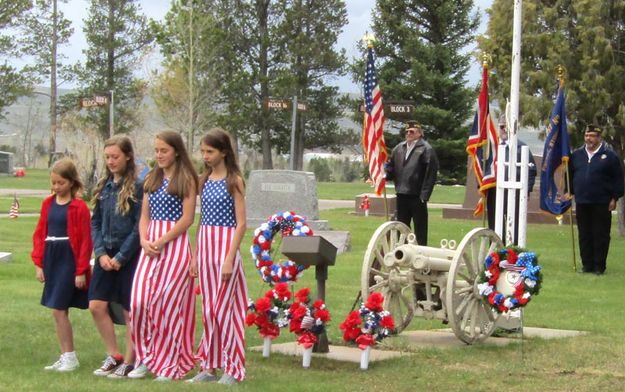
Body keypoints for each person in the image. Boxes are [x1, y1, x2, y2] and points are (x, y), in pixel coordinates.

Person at [128, 131, 198, 381]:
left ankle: (168, 361)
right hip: (149, 245)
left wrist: (160, 241)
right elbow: (144, 215)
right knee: (139, 302)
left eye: (164, 150)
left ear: (176, 151)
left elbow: (187, 219)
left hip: (174, 245)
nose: (159, 155)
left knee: (166, 305)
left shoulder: (186, 179)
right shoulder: (152, 178)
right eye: (156, 150)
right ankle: (145, 357)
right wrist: (145, 240)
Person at [187, 128, 248, 385]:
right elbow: (202, 221)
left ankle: (233, 368)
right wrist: (195, 256)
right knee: (210, 311)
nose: (205, 156)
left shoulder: (234, 180)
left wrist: (229, 258)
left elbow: (241, 223)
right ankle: (209, 366)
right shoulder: (203, 180)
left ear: (223, 152)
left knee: (226, 312)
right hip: (206, 247)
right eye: (203, 152)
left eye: (210, 152)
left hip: (225, 249)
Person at [89, 136, 143, 378]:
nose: (110, 161)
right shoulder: (104, 186)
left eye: (115, 156)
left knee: (129, 310)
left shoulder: (137, 186)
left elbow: (138, 226)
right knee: (96, 305)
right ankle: (114, 354)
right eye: (107, 157)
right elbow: (96, 222)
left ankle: (130, 360)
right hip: (105, 254)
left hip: (129, 255)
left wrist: (121, 257)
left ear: (128, 156)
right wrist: (100, 253)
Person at [31, 159, 92, 372]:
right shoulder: (48, 203)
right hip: (52, 257)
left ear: (71, 182)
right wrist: (39, 264)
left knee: (59, 309)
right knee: (56, 310)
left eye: (61, 183)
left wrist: (80, 270)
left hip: (69, 258)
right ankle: (65, 354)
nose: (56, 187)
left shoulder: (79, 207)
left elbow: (85, 240)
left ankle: (70, 357)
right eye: (54, 183)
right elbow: (40, 233)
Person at [569, 125, 624, 275]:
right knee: (584, 234)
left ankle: (599, 266)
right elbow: (571, 175)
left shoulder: (610, 156)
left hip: (602, 202)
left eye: (592, 136)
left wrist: (614, 197)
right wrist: (571, 192)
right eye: (587, 135)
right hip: (582, 201)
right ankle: (587, 265)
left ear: (599, 138)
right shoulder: (577, 155)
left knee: (600, 234)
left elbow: (618, 179)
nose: (589, 139)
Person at [385, 121, 438, 245]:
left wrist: (424, 195)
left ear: (419, 134)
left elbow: (431, 174)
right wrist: (384, 176)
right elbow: (391, 168)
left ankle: (421, 253)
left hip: (417, 196)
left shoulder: (426, 149)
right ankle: (402, 252)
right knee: (401, 226)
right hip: (401, 194)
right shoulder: (398, 148)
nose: (409, 134)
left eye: (412, 131)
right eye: (407, 131)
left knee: (420, 228)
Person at [486, 119, 537, 245]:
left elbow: (532, 171)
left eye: (506, 127)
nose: (503, 130)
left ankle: (513, 249)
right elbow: (485, 169)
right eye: (501, 127)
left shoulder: (521, 147)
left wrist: (527, 190)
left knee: (515, 223)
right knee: (494, 222)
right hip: (495, 191)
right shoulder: (492, 147)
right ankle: (495, 250)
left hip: (515, 192)